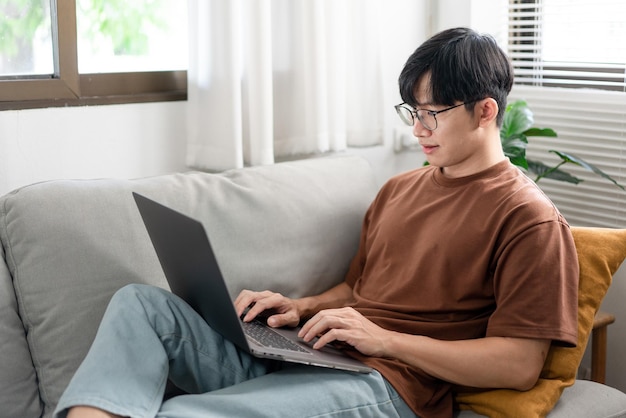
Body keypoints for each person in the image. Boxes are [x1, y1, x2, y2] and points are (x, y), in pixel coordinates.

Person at [55, 27, 578, 418]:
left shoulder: (528, 219)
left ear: (486, 111)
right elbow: (356, 286)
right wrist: (300, 307)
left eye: (432, 113)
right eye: (410, 111)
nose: (418, 129)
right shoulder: (399, 188)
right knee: (140, 305)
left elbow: (517, 364)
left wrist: (385, 341)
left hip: (387, 386)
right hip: (318, 355)